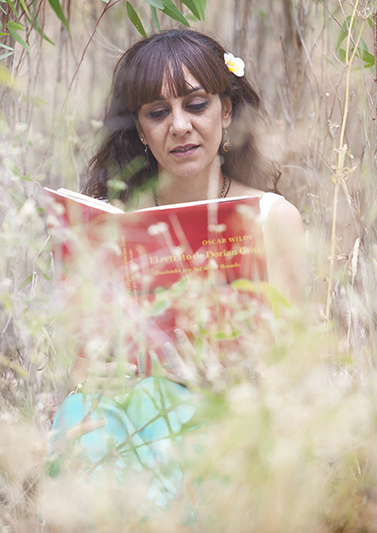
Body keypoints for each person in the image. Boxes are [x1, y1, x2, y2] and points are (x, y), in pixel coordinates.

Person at [49, 29, 306, 510]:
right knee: (81, 419)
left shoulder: (273, 218)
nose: (180, 126)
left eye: (196, 105)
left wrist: (228, 374)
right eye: (158, 113)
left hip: (231, 413)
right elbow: (84, 365)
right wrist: (98, 374)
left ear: (226, 111)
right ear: (140, 128)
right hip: (127, 410)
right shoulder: (109, 223)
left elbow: (293, 367)